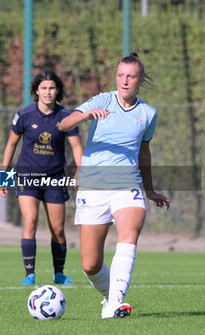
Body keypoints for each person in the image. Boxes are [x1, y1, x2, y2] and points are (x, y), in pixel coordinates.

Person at [58, 52, 170, 318]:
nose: (125, 80)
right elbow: (63, 123)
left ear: (141, 79)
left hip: (127, 184)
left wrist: (149, 189)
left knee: (128, 234)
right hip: (93, 186)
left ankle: (114, 306)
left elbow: (144, 154)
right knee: (90, 264)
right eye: (121, 75)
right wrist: (85, 116)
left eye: (131, 76)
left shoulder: (148, 114)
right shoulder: (102, 100)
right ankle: (112, 297)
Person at [0, 70, 83, 285]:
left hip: (55, 178)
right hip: (28, 176)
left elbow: (76, 147)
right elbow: (11, 145)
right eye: (44, 88)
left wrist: (80, 171)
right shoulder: (24, 115)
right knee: (30, 221)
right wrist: (5, 178)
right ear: (36, 90)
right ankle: (30, 274)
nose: (48, 92)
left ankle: (59, 274)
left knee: (57, 229)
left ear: (57, 91)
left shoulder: (66, 116)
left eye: (52, 88)